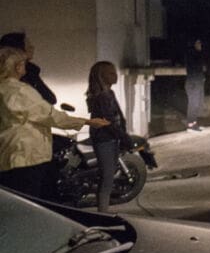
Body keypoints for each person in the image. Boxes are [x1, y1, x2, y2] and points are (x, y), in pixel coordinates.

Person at [0, 47, 107, 200]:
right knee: (31, 202)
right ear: (17, 67)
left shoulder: (3, 89)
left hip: (6, 152)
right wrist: (87, 121)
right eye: (23, 64)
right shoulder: (20, 91)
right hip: (27, 155)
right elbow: (50, 116)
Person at [85, 61, 135, 212]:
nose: (115, 75)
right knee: (107, 177)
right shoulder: (101, 97)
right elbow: (108, 122)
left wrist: (123, 133)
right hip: (104, 139)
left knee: (109, 174)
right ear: (101, 76)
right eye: (111, 73)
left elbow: (118, 117)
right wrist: (124, 137)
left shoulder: (109, 93)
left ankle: (104, 210)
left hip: (111, 137)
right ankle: (102, 212)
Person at [0, 32, 56, 105]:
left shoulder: (31, 70)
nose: (32, 47)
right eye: (28, 46)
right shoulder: (26, 75)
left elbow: (50, 98)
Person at [185, 38, 205, 131]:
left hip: (196, 82)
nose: (200, 45)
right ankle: (190, 125)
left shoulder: (196, 55)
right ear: (194, 45)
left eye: (200, 43)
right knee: (193, 104)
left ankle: (194, 123)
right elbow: (194, 69)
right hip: (193, 83)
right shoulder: (193, 55)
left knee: (196, 104)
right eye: (198, 43)